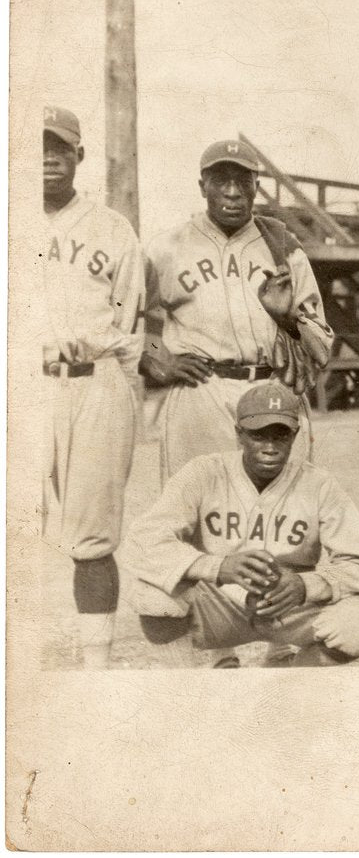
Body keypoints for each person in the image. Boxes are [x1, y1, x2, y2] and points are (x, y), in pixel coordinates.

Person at [128, 382, 359, 667]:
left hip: (290, 605)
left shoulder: (318, 484)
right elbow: (143, 540)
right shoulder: (204, 473)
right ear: (238, 434)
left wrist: (308, 585)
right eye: (258, 436)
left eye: (280, 435)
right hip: (219, 603)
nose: (270, 447)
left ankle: (288, 687)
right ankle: (187, 691)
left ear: (295, 433)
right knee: (153, 594)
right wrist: (217, 567)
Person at [141, 139, 334, 480]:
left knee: (284, 514)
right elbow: (130, 314)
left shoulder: (283, 247)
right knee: (198, 510)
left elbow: (322, 342)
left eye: (243, 181)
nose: (233, 192)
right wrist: (161, 358)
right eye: (221, 181)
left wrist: (288, 320)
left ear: (256, 187)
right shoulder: (167, 247)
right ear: (203, 187)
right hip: (202, 390)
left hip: (272, 387)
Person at [40, 106, 144, 668]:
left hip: (95, 380)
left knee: (93, 536)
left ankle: (95, 670)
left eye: (59, 146)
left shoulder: (110, 228)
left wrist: (116, 387)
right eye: (34, 146)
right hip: (21, 389)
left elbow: (132, 324)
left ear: (80, 155)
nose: (48, 157)